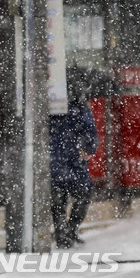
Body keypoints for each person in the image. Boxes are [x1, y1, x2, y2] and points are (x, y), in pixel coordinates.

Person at [49, 97, 99, 249]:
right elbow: (91, 136)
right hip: (74, 163)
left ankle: (62, 234)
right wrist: (88, 148)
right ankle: (70, 229)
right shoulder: (80, 110)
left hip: (53, 161)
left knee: (58, 202)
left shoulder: (49, 106)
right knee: (83, 195)